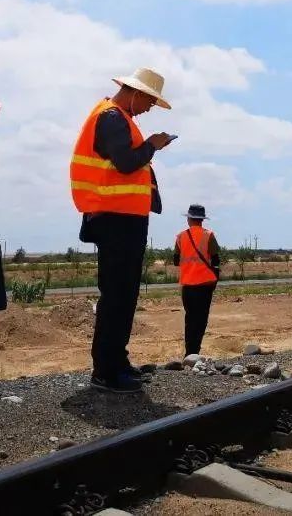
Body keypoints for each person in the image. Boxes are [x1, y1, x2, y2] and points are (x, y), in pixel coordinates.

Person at [71, 68, 175, 393]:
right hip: (115, 220)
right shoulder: (112, 117)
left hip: (121, 218)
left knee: (123, 295)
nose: (149, 108)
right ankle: (106, 370)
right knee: (118, 295)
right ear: (135, 93)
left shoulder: (117, 117)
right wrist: (153, 145)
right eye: (149, 101)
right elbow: (126, 163)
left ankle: (116, 362)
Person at [173, 204, 221, 357]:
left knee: (190, 319)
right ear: (202, 220)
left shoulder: (181, 237)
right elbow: (216, 260)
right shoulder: (209, 235)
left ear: (189, 218)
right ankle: (195, 353)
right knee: (201, 320)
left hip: (187, 285)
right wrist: (215, 279)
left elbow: (175, 260)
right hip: (205, 286)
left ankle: (189, 354)